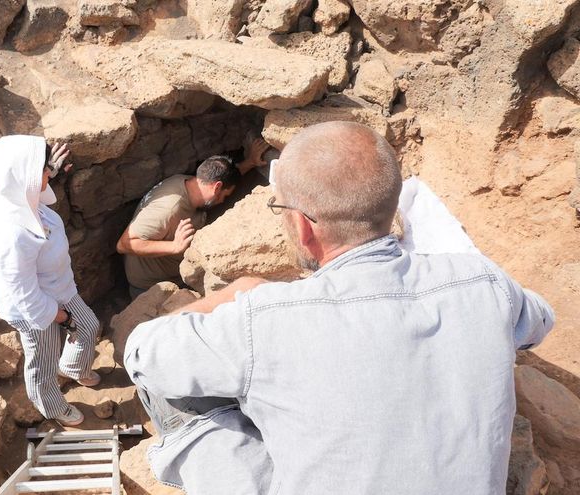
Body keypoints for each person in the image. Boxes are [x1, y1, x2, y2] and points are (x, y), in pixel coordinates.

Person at [124, 122, 555, 493]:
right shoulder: (485, 282)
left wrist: (226, 298)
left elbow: (141, 353)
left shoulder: (264, 316)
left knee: (180, 390)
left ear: (303, 227)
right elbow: (539, 322)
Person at [0, 135, 101, 427]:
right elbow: (24, 293)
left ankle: (72, 366)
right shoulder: (10, 234)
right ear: (25, 175)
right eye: (43, 169)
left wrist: (50, 173)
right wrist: (60, 317)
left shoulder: (13, 190)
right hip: (34, 310)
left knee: (90, 326)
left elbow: (36, 194)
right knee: (43, 364)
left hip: (58, 287)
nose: (48, 172)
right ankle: (51, 404)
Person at [117, 138, 269, 298]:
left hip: (174, 275)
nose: (223, 200)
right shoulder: (169, 209)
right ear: (217, 187)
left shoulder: (189, 182)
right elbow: (124, 244)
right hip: (152, 287)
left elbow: (224, 178)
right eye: (224, 195)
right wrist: (175, 247)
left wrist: (250, 162)